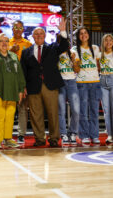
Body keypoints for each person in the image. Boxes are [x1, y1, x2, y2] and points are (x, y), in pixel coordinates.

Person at [20, 18, 68, 147]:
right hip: (32, 87)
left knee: (53, 113)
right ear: (32, 36)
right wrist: (23, 87)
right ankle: (40, 139)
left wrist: (63, 31)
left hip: (50, 86)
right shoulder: (25, 52)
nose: (39, 36)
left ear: (45, 35)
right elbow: (23, 71)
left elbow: (64, 46)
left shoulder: (52, 47)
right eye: (36, 34)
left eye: (41, 34)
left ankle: (54, 139)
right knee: (36, 115)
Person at [0, 33, 25, 149]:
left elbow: (20, 75)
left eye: (6, 41)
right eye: (1, 41)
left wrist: (21, 90)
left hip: (12, 91)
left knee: (10, 116)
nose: (4, 43)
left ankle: (8, 138)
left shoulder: (14, 56)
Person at [71, 27, 101, 145]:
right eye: (81, 33)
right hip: (81, 83)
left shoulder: (95, 48)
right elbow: (76, 69)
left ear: (89, 34)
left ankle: (95, 135)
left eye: (85, 33)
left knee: (94, 110)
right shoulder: (74, 49)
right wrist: (74, 61)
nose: (83, 35)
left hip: (95, 82)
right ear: (78, 36)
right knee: (83, 110)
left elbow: (98, 65)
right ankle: (84, 135)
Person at [9, 20, 32, 144]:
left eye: (20, 28)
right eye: (15, 27)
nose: (17, 30)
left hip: (22, 79)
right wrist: (10, 51)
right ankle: (6, 134)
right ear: (12, 29)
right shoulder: (6, 43)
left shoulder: (28, 44)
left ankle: (21, 134)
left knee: (22, 107)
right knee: (9, 106)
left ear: (23, 30)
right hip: (9, 79)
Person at [57, 35, 80, 146]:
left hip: (72, 81)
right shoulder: (56, 52)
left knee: (76, 109)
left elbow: (77, 70)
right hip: (60, 82)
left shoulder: (73, 53)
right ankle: (63, 133)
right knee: (61, 111)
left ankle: (73, 132)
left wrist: (73, 60)